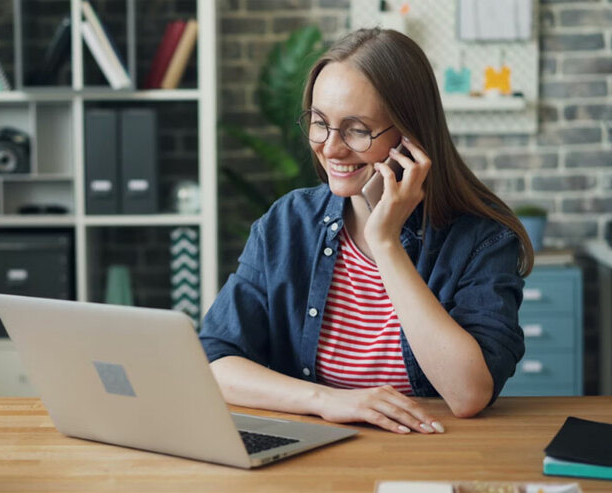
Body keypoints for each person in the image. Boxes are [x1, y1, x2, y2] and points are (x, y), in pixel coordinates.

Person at [199, 28, 533, 435]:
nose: (331, 148)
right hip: (318, 452)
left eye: (357, 130)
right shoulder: (288, 223)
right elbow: (216, 361)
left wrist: (386, 242)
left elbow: (467, 395)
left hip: (434, 453)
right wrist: (327, 400)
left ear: (410, 136)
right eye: (320, 123)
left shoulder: (481, 238)